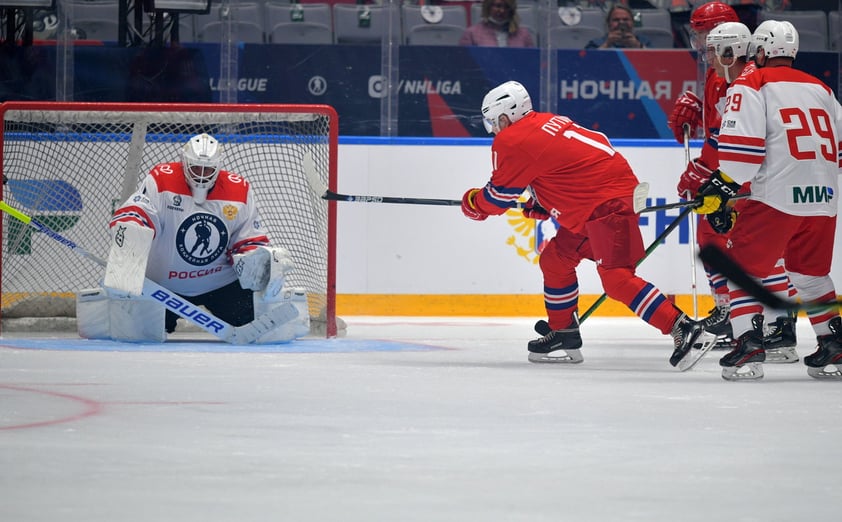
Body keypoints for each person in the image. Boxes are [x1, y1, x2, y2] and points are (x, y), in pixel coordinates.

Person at [460, 80, 715, 368]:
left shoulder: (512, 139)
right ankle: (563, 332)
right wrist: (548, 202)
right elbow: (570, 166)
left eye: (493, 121)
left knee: (616, 278)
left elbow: (496, 199)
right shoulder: (547, 122)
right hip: (603, 202)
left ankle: (682, 327)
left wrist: (472, 203)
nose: (493, 129)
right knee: (556, 260)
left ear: (505, 116)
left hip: (605, 207)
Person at [694, 20, 842, 380]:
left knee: (738, 268)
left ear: (759, 52)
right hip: (824, 196)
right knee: (810, 274)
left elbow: (740, 155)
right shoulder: (822, 88)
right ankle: (833, 345)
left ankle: (748, 345)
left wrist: (723, 186)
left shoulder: (751, 82)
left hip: (776, 196)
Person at [77, 133, 309, 343]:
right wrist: (129, 229)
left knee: (268, 329)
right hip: (164, 287)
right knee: (136, 334)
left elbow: (247, 241)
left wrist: (262, 262)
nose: (201, 175)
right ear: (184, 162)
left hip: (220, 285)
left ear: (218, 167)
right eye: (196, 167)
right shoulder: (161, 179)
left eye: (207, 170)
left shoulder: (239, 190)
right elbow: (138, 211)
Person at [667, 2, 798, 363]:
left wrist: (704, 169)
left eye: (704, 37)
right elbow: (721, 126)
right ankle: (746, 316)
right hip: (742, 171)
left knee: (749, 246)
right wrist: (699, 108)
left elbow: (735, 137)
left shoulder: (746, 75)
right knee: (719, 238)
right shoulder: (721, 72)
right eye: (697, 37)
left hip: (749, 173)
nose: (700, 46)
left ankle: (773, 321)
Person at [458, 0, 534, 48]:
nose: (502, 10)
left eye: (506, 7)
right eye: (498, 6)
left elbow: (532, 63)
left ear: (511, 10)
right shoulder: (471, 34)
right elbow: (464, 65)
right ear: (488, 7)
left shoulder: (524, 34)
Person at [585, 5, 650, 49]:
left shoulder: (644, 41)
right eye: (616, 20)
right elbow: (585, 63)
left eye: (625, 19)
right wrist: (607, 45)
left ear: (632, 23)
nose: (621, 23)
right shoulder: (596, 43)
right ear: (608, 23)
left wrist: (637, 46)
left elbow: (655, 61)